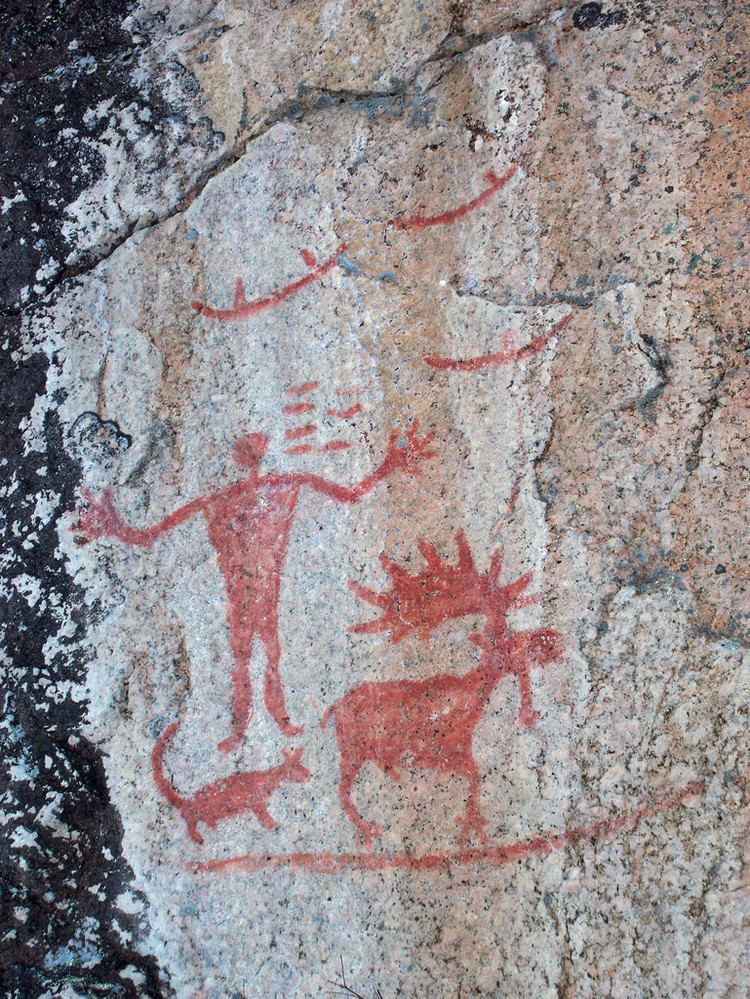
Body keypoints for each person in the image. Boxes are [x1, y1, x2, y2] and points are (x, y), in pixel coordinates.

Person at [74, 422, 436, 751]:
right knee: (253, 656)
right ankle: (248, 727)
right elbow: (352, 494)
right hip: (247, 593)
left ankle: (264, 723)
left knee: (259, 655)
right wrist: (391, 463)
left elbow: (147, 535)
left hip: (254, 591)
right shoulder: (270, 488)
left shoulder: (247, 494)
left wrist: (111, 524)